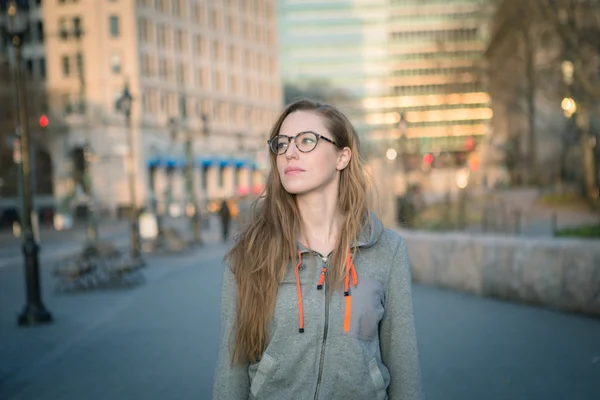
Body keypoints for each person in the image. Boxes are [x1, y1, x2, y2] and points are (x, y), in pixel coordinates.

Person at [213, 99, 424, 399]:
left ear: (342, 157)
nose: (290, 152)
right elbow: (230, 372)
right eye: (282, 143)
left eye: (307, 141)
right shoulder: (249, 254)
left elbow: (405, 368)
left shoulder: (387, 250)